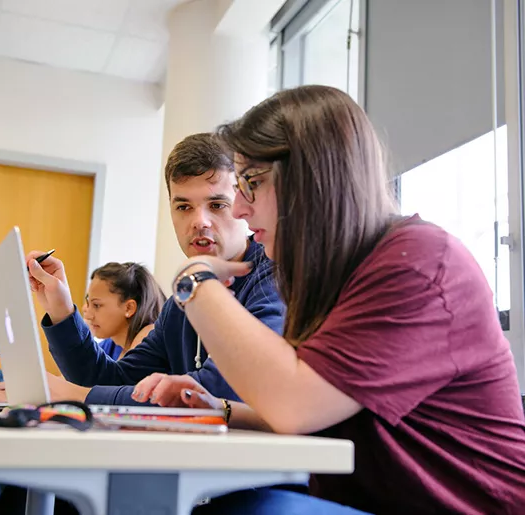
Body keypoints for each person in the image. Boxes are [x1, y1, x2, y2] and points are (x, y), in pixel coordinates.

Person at [131, 85, 525, 514]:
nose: (241, 209)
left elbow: (294, 407)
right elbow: (327, 410)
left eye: (252, 184)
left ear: (312, 180)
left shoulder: (418, 264)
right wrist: (222, 410)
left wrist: (195, 278)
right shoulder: (335, 275)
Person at [24, 132, 285, 405]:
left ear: (243, 205)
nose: (200, 221)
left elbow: (224, 389)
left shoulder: (273, 282)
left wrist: (79, 395)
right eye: (183, 206)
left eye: (217, 205)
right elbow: (110, 380)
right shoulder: (179, 305)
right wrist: (60, 310)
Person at [81, 261, 165, 360]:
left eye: (96, 305)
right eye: (88, 302)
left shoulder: (148, 339)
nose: (87, 313)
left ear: (129, 308)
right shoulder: (110, 345)